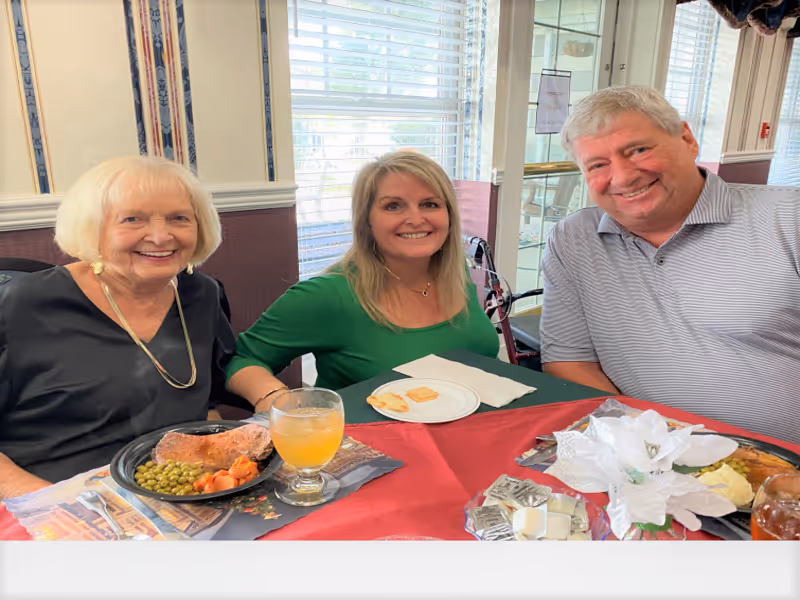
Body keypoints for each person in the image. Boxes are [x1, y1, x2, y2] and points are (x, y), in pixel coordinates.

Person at [540, 85, 800, 445]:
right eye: (598, 165)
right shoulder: (573, 239)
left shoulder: (789, 218)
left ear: (687, 139)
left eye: (638, 150)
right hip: (643, 457)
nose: (624, 176)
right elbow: (569, 361)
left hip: (784, 472)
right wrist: (645, 442)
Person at [0, 156, 236, 497]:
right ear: (92, 228)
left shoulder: (201, 292)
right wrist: (56, 504)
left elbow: (211, 394)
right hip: (57, 500)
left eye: (179, 218)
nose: (160, 236)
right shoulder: (20, 304)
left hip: (181, 491)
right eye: (132, 219)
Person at [226, 151, 499, 411]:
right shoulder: (328, 294)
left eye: (430, 204)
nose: (416, 219)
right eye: (393, 206)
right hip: (377, 453)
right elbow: (240, 359)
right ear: (367, 221)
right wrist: (274, 397)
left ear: (449, 215)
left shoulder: (456, 273)